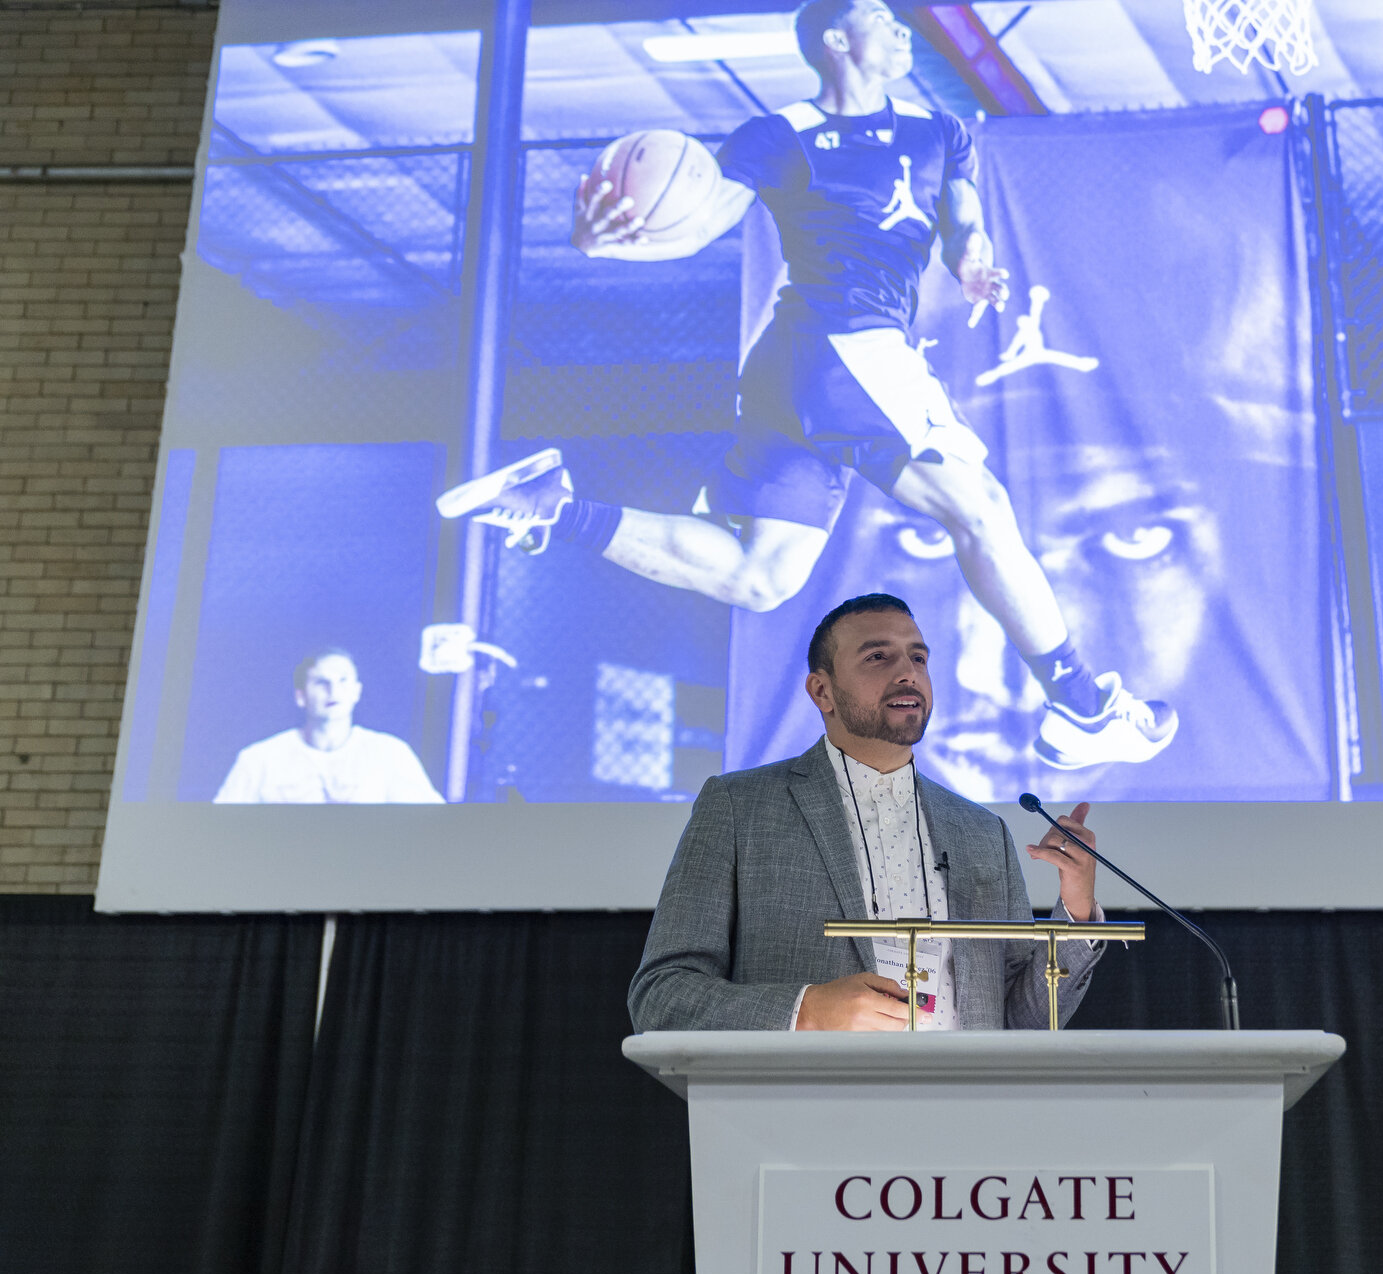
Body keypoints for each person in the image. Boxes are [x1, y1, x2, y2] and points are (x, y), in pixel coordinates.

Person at [436, 0, 1176, 772]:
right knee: (981, 509)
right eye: (880, 17)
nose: (898, 29)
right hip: (848, 342)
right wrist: (605, 243)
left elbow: (964, 222)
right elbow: (695, 223)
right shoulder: (780, 133)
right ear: (834, 40)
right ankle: (1082, 704)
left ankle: (554, 506)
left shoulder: (940, 131)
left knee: (761, 576)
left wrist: (972, 263)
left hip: (792, 368)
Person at [628, 593, 1106, 1031]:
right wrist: (807, 1009)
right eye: (879, 657)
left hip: (962, 1111)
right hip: (809, 1111)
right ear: (822, 692)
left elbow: (1022, 1022)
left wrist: (1077, 908)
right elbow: (663, 995)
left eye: (919, 657)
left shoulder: (982, 832)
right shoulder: (740, 808)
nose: (908, 673)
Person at [214, 648, 444, 804]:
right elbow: (220, 831)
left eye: (343, 681)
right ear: (301, 696)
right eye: (321, 682)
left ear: (356, 692)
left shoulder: (390, 754)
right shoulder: (259, 759)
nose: (333, 691)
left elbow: (431, 828)